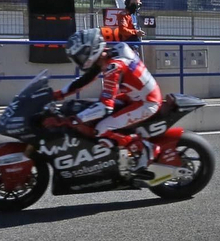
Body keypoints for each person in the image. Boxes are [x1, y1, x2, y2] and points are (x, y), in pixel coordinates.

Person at [52, 27, 163, 173]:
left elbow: (106, 106)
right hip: (135, 96)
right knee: (93, 113)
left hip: (147, 102)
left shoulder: (113, 67)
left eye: (79, 56)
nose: (78, 61)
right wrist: (56, 95)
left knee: (101, 128)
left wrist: (77, 119)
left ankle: (146, 149)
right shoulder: (111, 53)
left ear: (90, 51)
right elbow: (84, 81)